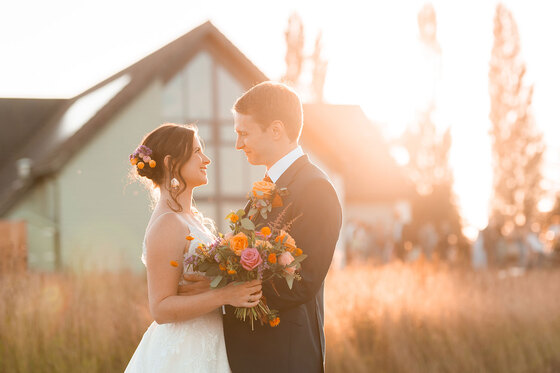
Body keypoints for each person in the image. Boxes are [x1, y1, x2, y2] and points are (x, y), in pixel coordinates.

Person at [184, 81, 343, 372]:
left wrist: (221, 287)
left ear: (276, 130)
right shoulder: (267, 186)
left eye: (244, 133)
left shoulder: (315, 189)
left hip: (284, 355)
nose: (237, 144)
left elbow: (302, 282)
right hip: (253, 354)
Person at [125, 123, 262, 372]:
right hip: (185, 352)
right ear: (170, 163)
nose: (206, 160)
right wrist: (226, 295)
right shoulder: (167, 223)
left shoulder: (190, 218)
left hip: (211, 343)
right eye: (197, 152)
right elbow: (161, 308)